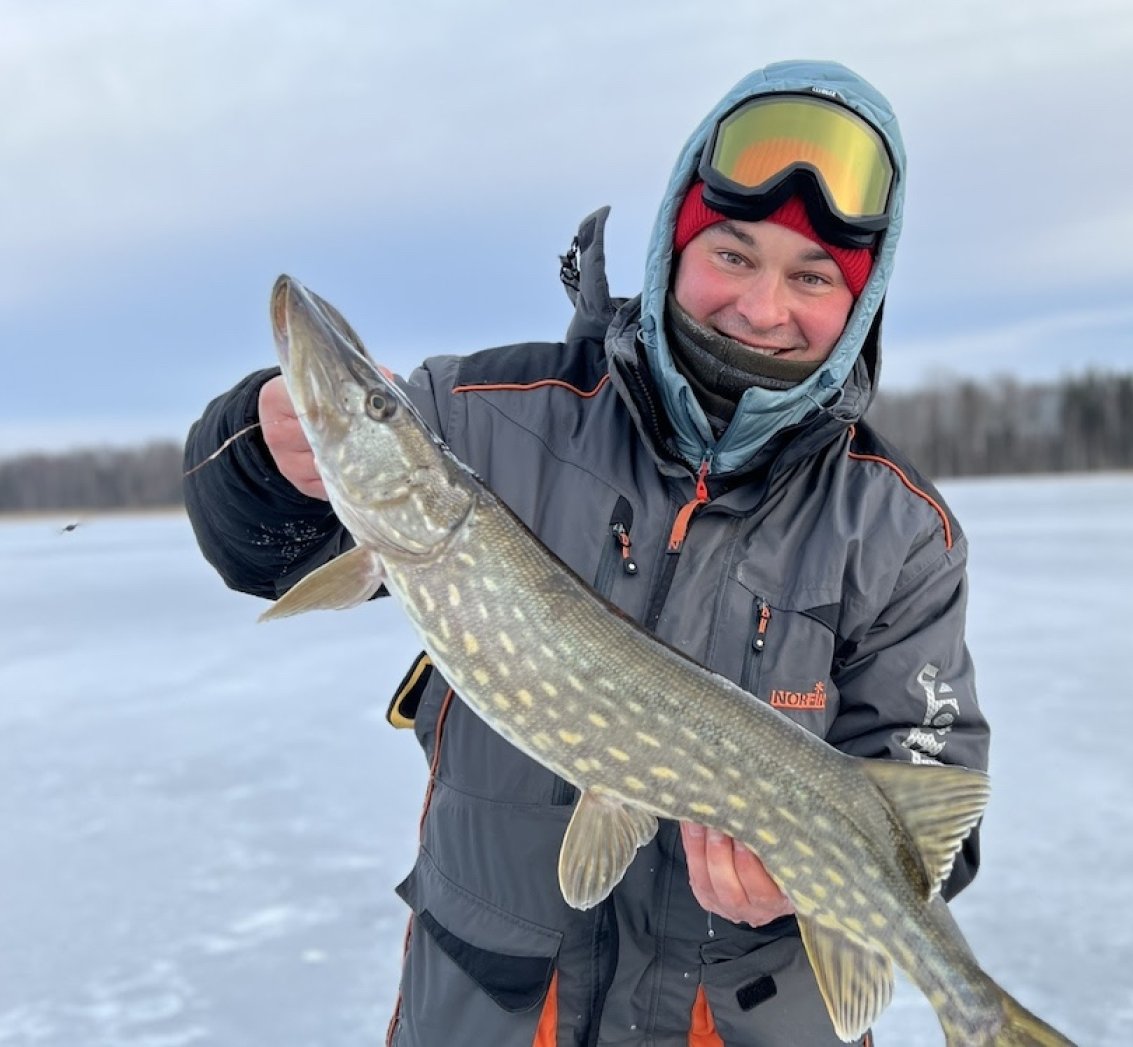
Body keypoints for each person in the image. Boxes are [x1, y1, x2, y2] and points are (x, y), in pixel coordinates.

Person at [184, 59, 989, 1047]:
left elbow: (928, 800)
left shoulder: (897, 529)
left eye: (811, 276)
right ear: (669, 244)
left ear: (859, 303)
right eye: (730, 254)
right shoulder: (480, 422)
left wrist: (796, 885)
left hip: (739, 1020)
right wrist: (260, 453)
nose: (763, 307)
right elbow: (251, 547)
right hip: (495, 1005)